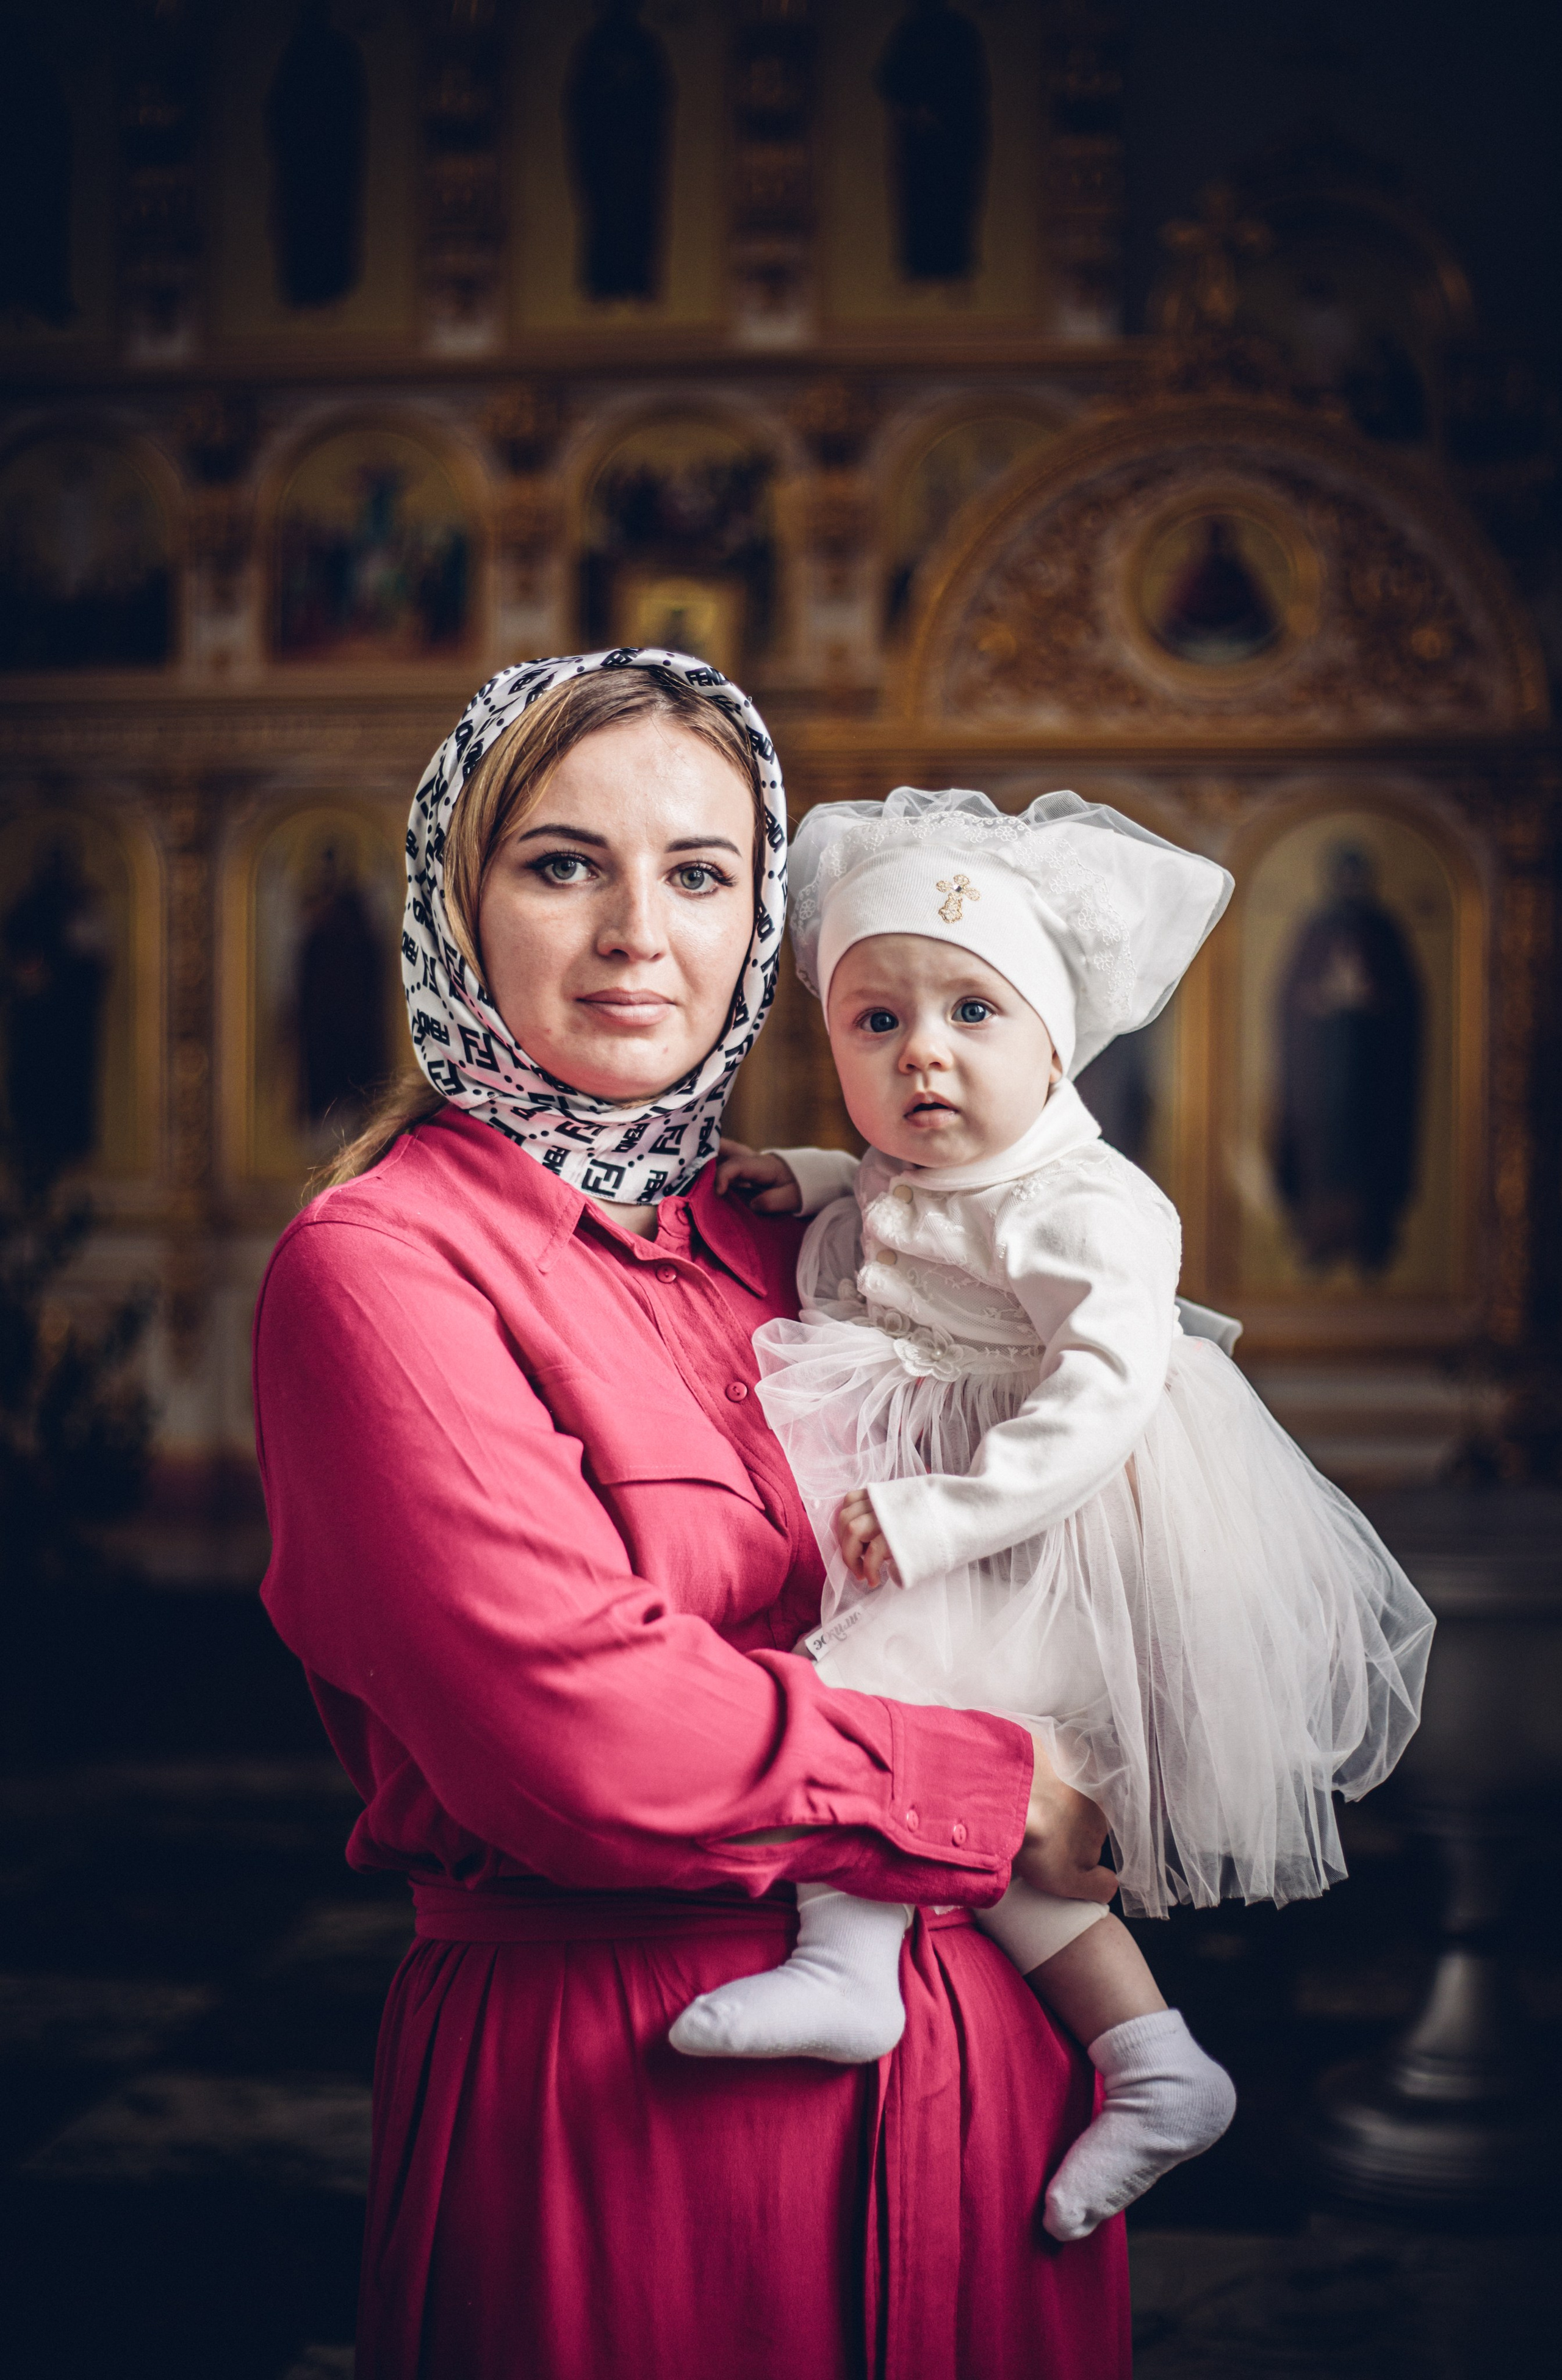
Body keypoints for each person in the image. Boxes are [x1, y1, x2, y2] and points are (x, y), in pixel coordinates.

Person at [254, 659, 1133, 2380]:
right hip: (635, 2100)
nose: (637, 934)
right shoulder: (378, 1267)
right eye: (564, 863)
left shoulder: (808, 1238)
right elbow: (577, 1725)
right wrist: (1000, 1787)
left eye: (704, 872)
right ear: (457, 896)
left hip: (988, 2104)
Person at [681, 785, 1436, 2245]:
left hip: (1052, 1518)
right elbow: (907, 1194)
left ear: (1052, 1040)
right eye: (875, 1024)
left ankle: (847, 1971)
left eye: (972, 1013)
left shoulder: (1095, 1206)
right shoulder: (926, 1159)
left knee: (869, 1701)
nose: (923, 1059)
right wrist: (818, 1173)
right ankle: (1151, 2062)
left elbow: (1099, 1398)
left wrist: (945, 1520)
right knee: (994, 1807)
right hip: (964, 1495)